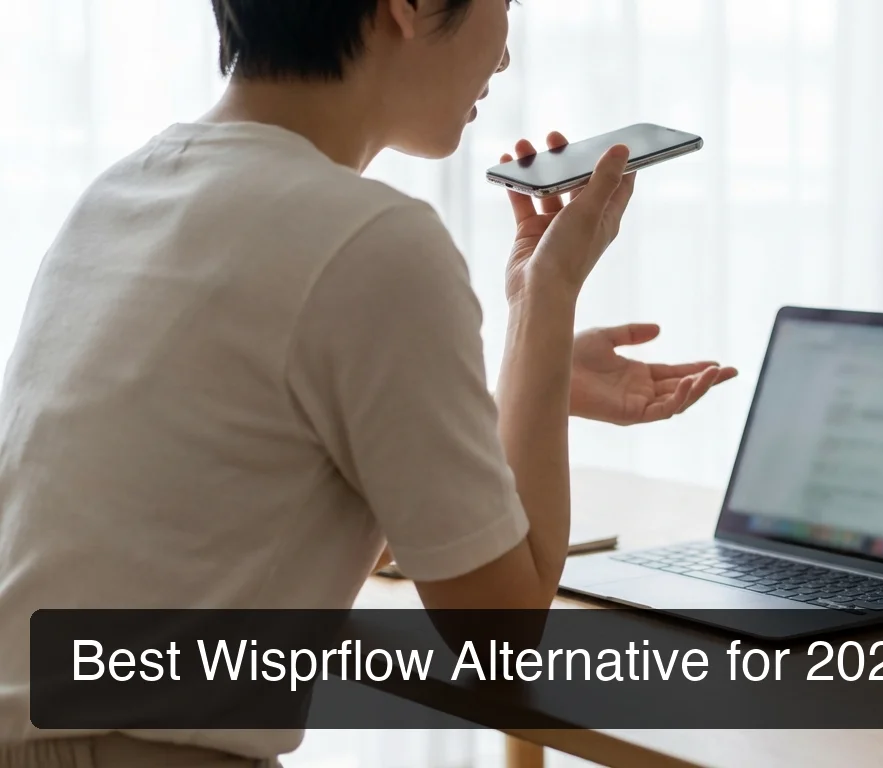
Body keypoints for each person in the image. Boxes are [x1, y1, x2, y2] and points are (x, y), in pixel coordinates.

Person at [0, 0, 737, 764]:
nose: (507, 56)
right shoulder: (373, 241)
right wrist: (546, 299)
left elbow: (275, 454)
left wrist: (535, 373)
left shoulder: (122, 194)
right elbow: (505, 639)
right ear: (409, 8)